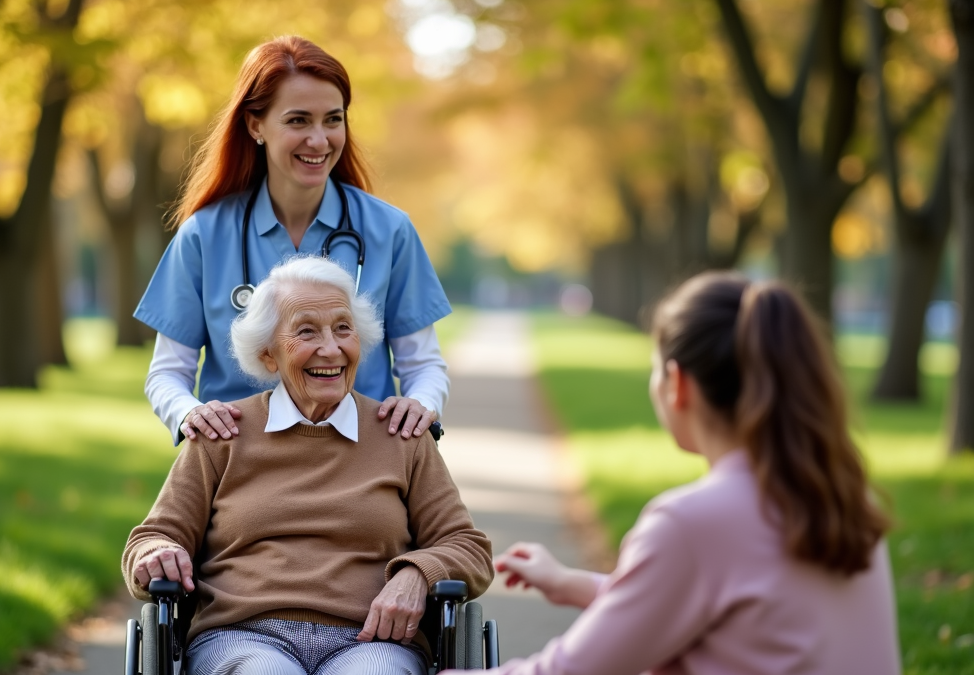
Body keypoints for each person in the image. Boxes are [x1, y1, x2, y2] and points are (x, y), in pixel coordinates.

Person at [474, 272, 901, 675]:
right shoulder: (848, 499)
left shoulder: (691, 523)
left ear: (677, 383)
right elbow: (728, 603)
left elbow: (566, 671)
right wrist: (572, 584)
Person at [122, 256, 493, 674]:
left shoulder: (402, 435)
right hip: (243, 636)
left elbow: (469, 549)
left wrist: (420, 573)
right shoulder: (221, 435)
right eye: (306, 331)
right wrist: (158, 553)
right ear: (268, 354)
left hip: (371, 641)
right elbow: (151, 538)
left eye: (343, 329)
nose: (331, 349)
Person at [135, 35, 450, 447]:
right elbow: (167, 373)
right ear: (255, 125)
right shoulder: (205, 234)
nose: (319, 140)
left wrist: (420, 405)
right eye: (298, 120)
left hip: (363, 460)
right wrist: (191, 414)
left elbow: (423, 365)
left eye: (333, 120)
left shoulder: (389, 230)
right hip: (241, 462)